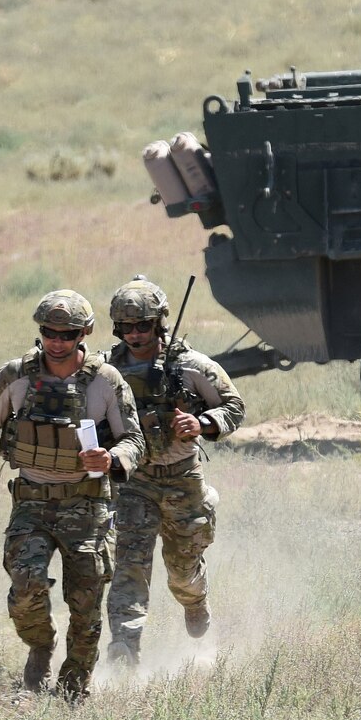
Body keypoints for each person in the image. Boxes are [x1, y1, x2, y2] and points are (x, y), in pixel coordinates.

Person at [0, 289, 143, 699]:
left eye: (67, 334)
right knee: (25, 585)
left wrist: (112, 459)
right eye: (50, 332)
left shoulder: (105, 381)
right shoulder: (15, 376)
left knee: (86, 605)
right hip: (32, 501)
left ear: (85, 334)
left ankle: (73, 689)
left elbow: (133, 440)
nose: (57, 342)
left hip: (88, 505)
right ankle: (40, 646)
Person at [102, 277, 246, 664]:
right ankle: (124, 645)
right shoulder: (104, 371)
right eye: (125, 328)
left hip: (183, 477)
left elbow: (234, 407)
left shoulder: (191, 366)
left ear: (159, 323)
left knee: (183, 572)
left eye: (142, 326)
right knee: (129, 564)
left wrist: (203, 423)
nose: (134, 335)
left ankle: (195, 601)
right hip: (134, 482)